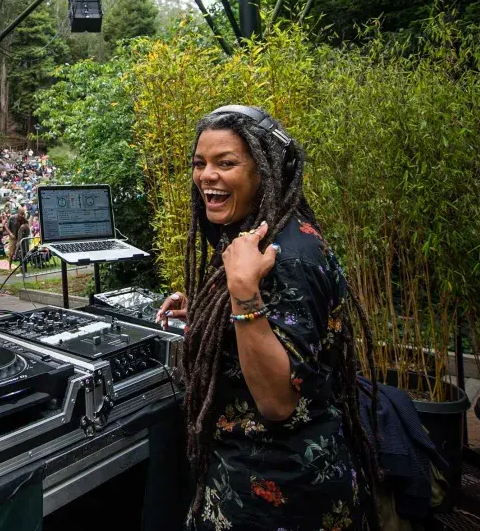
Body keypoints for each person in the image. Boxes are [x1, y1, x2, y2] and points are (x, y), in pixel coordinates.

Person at [154, 107, 381, 530]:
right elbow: (281, 330)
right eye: (199, 164)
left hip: (283, 497)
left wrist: (242, 296)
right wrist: (212, 313)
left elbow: (277, 403)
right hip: (252, 479)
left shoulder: (287, 255)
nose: (206, 176)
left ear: (266, 170)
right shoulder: (261, 233)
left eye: (226, 163)